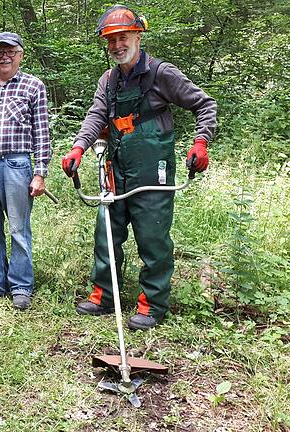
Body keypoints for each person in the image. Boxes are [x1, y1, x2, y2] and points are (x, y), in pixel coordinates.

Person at [61, 5, 217, 330]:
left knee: (152, 236)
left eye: (123, 37)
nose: (117, 45)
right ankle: (105, 295)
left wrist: (200, 142)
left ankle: (152, 305)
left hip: (152, 168)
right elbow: (96, 116)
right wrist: (79, 147)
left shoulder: (162, 73)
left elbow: (205, 104)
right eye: (111, 40)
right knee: (107, 231)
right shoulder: (109, 80)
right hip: (115, 166)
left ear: (137, 36)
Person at [0, 32, 52, 310]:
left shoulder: (33, 86)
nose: (4, 56)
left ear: (20, 54)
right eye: (0, 51)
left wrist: (39, 173)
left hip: (16, 166)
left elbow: (42, 132)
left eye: (10, 51)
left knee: (18, 229)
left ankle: (21, 286)